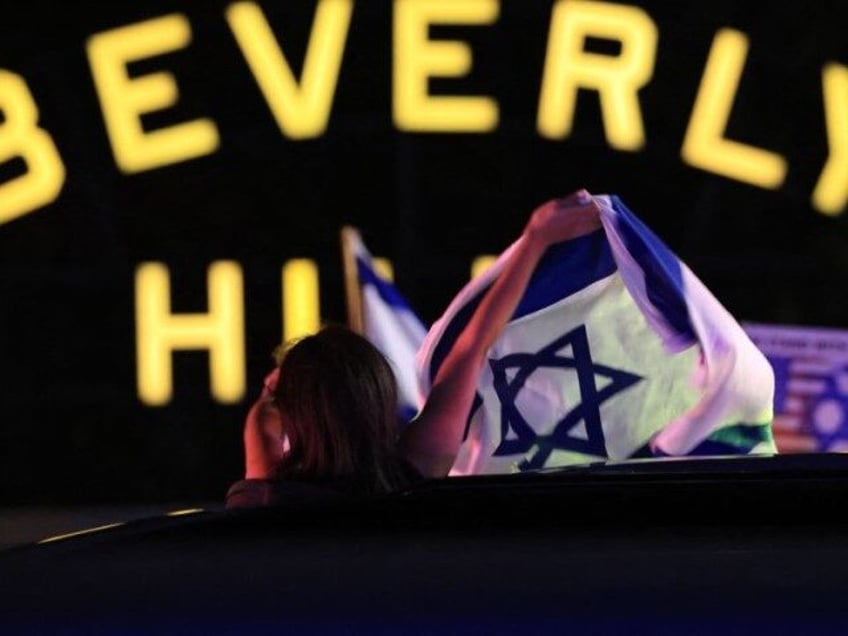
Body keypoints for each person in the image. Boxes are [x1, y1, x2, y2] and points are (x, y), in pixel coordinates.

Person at [226, 190, 602, 508]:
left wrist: (271, 398)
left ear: (291, 411)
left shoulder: (267, 500)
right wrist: (536, 240)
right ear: (379, 398)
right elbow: (471, 347)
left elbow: (260, 427)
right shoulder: (413, 473)